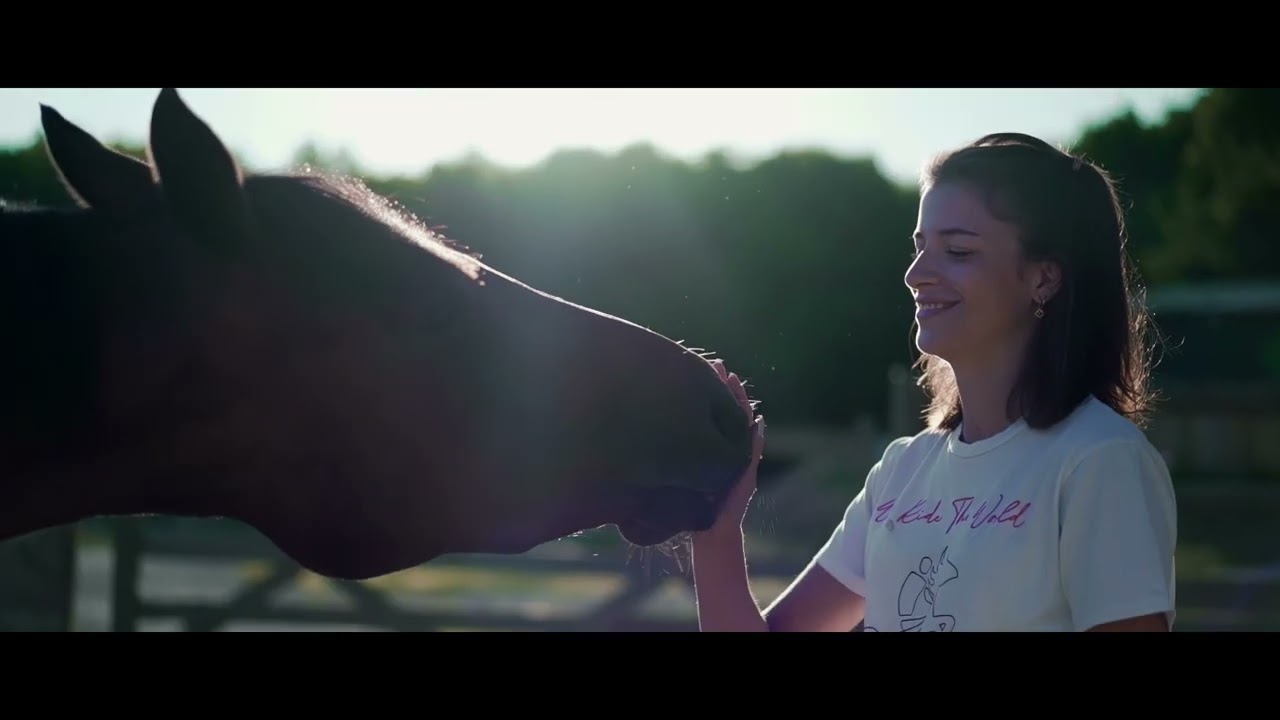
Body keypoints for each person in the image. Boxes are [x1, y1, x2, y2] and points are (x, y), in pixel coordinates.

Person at [696, 132, 1178, 632]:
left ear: (1044, 278)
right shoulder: (901, 471)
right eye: (921, 246)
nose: (916, 273)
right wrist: (716, 526)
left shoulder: (1101, 461)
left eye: (958, 250)